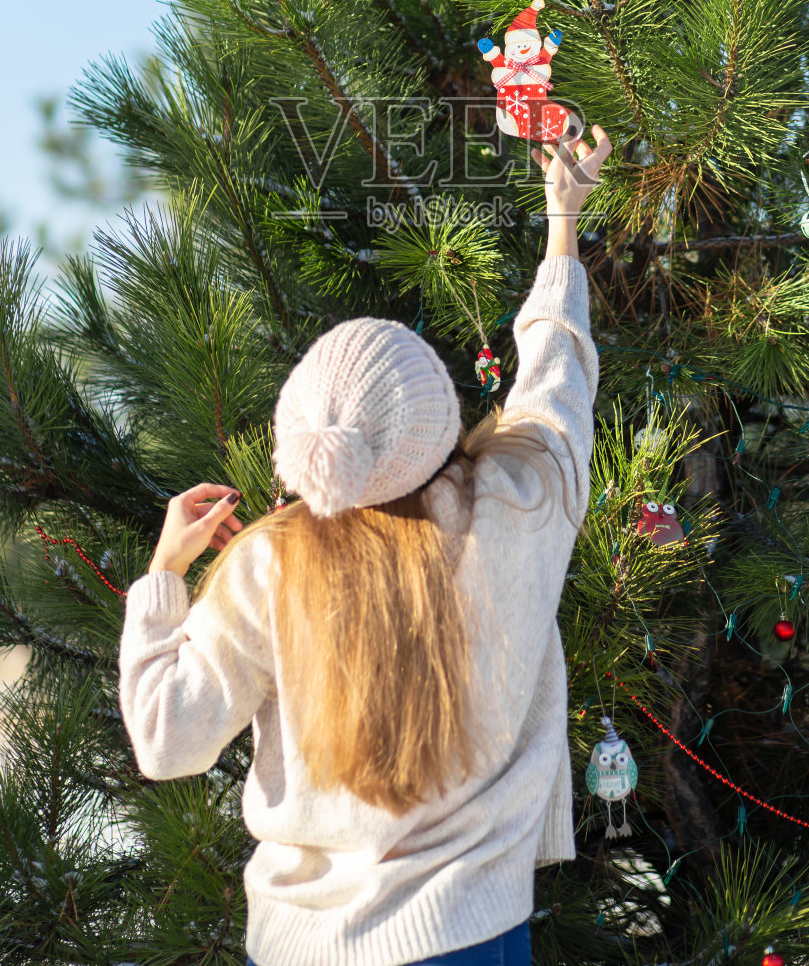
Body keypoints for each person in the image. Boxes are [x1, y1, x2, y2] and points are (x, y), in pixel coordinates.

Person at [118, 125, 612, 966]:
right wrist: (561, 220)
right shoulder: (516, 504)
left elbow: (168, 745)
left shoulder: (267, 564)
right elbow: (555, 373)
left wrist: (164, 578)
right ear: (432, 421)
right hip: (470, 933)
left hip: (301, 944)